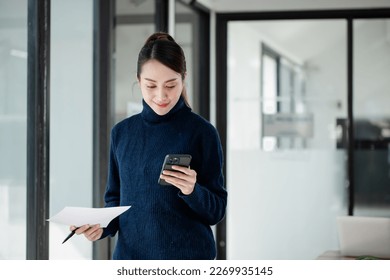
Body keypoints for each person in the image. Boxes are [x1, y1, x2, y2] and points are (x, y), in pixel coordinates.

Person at [71, 32, 227, 260]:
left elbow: (217, 211)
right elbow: (115, 201)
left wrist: (192, 190)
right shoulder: (122, 133)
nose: (161, 95)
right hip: (130, 262)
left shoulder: (202, 132)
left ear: (184, 78)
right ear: (138, 79)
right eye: (151, 85)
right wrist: (100, 227)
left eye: (171, 85)